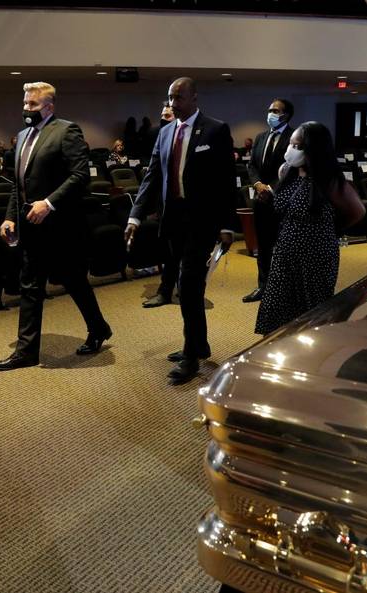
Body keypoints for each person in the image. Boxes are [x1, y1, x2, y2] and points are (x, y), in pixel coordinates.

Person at [0, 82, 111, 371]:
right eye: (24, 104)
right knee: (30, 286)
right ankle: (26, 351)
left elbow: (80, 175)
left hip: (62, 226)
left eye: (32, 105)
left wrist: (49, 203)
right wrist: (10, 216)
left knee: (75, 282)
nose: (26, 109)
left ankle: (98, 328)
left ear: (49, 106)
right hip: (31, 226)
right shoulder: (21, 137)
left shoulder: (66, 131)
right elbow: (17, 185)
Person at [124, 77, 235, 385]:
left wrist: (227, 224)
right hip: (172, 221)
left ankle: (190, 355)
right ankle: (199, 343)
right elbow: (152, 177)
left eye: (179, 97)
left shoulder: (215, 129)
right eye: (170, 97)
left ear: (194, 98)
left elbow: (226, 180)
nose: (173, 103)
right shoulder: (164, 132)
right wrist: (135, 216)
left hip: (201, 221)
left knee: (188, 285)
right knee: (189, 286)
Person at [254, 122, 355, 335]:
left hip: (316, 254)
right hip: (284, 251)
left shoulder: (330, 180)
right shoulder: (286, 171)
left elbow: (357, 212)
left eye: (298, 146)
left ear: (315, 149)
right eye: (291, 144)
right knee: (276, 304)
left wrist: (327, 230)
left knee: (312, 312)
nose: (291, 150)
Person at [243, 98, 294, 304]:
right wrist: (258, 185)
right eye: (270, 109)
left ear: (286, 115)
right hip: (261, 200)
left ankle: (284, 289)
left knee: (284, 246)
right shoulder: (261, 137)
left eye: (275, 110)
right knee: (263, 246)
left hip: (282, 200)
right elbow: (252, 166)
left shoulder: (294, 138)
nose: (270, 113)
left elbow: (291, 168)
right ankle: (263, 286)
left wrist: (271, 188)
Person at [143, 103, 181, 309]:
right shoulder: (158, 134)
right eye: (162, 115)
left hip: (186, 203)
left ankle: (184, 288)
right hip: (163, 203)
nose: (164, 118)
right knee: (169, 252)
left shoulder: (187, 136)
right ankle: (165, 290)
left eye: (168, 115)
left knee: (184, 252)